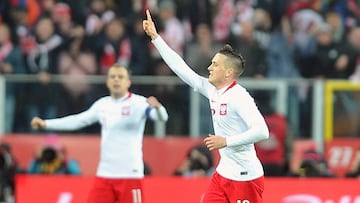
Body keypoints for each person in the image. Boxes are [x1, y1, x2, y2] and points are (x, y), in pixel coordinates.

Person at [143, 9, 269, 203]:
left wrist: (226, 141)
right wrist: (156, 38)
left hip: (246, 178)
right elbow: (181, 69)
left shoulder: (239, 96)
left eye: (215, 64)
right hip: (223, 175)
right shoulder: (213, 90)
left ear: (228, 73)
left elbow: (262, 132)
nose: (209, 68)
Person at [30, 64, 169, 203]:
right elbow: (78, 120)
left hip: (130, 175)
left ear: (128, 82)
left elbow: (161, 118)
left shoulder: (139, 103)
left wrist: (158, 108)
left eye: (120, 77)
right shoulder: (102, 105)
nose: (116, 80)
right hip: (105, 175)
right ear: (108, 82)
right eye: (112, 77)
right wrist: (46, 123)